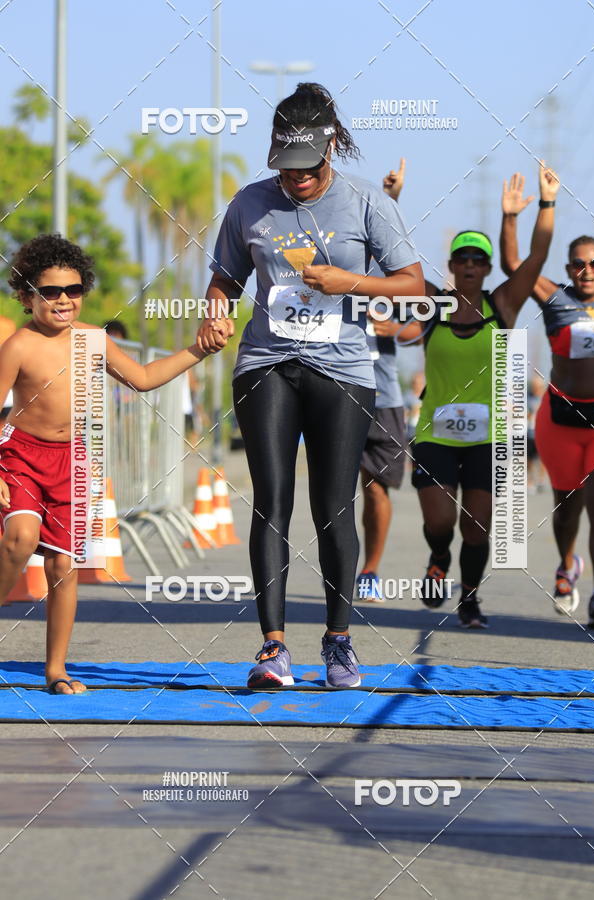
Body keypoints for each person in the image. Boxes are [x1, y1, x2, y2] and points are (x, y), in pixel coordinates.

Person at [198, 83, 424, 688]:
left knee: (334, 505)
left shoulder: (365, 204)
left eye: (307, 168)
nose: (296, 179)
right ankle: (272, 648)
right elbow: (224, 278)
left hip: (343, 370)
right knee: (271, 501)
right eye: (285, 167)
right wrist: (216, 308)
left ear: (330, 150)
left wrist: (349, 282)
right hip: (267, 363)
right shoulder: (250, 204)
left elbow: (412, 285)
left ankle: (339, 642)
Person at [0, 234, 225, 694]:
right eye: (50, 292)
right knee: (20, 539)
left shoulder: (94, 341)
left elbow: (143, 378)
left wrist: (198, 350)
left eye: (74, 290)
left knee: (64, 566)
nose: (63, 300)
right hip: (21, 455)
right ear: (26, 296)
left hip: (74, 463)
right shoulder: (19, 346)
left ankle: (56, 671)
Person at [411, 162, 559, 628]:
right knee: (441, 523)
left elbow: (536, 257)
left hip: (487, 438)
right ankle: (438, 556)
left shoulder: (504, 305)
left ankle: (469, 598)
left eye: (479, 260)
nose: (471, 266)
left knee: (477, 528)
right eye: (463, 260)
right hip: (435, 433)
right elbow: (394, 257)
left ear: (487, 268)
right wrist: (392, 200)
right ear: (452, 266)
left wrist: (540, 206)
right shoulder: (433, 304)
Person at [500, 174, 594, 627]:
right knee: (567, 507)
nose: (587, 271)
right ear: (568, 267)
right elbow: (514, 262)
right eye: (579, 263)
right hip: (560, 419)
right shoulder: (555, 297)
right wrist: (528, 209)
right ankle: (567, 564)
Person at [356, 159, 422, 602]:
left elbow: (420, 324)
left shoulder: (389, 279)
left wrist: (393, 329)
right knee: (338, 492)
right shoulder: (334, 271)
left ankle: (371, 570)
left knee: (376, 489)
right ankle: (340, 570)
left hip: (385, 398)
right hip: (335, 392)